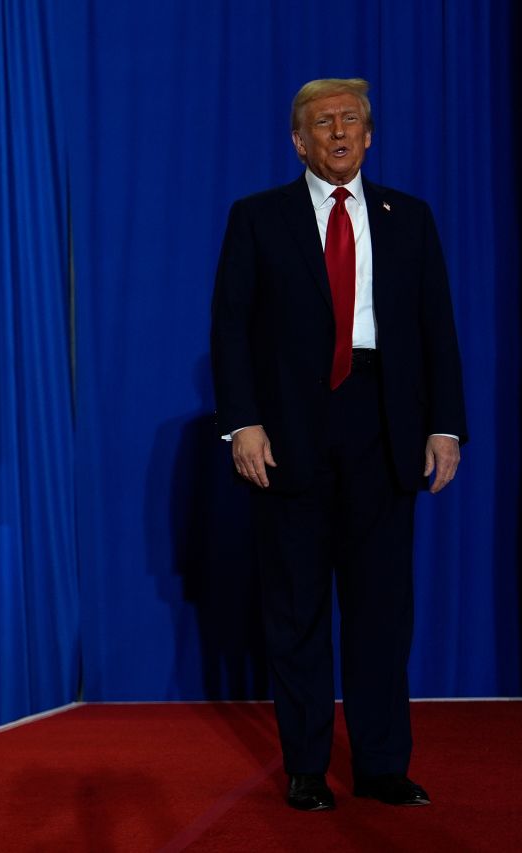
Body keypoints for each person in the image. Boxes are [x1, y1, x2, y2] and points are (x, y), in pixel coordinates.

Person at [210, 78, 467, 812]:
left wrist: (444, 424)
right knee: (297, 610)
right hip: (290, 429)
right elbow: (230, 326)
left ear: (370, 134)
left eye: (351, 120)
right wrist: (243, 422)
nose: (339, 132)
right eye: (322, 123)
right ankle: (305, 766)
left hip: (383, 426)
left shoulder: (410, 219)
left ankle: (383, 765)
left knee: (382, 609)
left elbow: (436, 330)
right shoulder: (258, 218)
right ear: (299, 140)